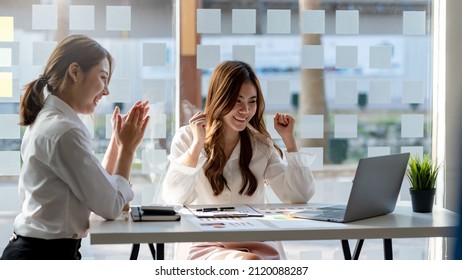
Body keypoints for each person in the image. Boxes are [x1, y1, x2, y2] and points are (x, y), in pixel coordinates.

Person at [0, 34, 150, 260]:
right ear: (75, 72)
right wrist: (128, 149)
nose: (106, 90)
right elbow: (110, 205)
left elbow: (100, 187)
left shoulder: (53, 122)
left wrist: (118, 144)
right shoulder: (64, 131)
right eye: (103, 77)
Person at [162, 60, 315, 260]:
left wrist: (289, 140)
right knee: (250, 263)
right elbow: (175, 198)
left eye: (252, 101)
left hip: (255, 241)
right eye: (237, 101)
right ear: (220, 99)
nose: (246, 110)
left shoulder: (260, 144)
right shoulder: (188, 138)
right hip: (207, 242)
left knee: (254, 261)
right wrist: (197, 144)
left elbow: (298, 195)